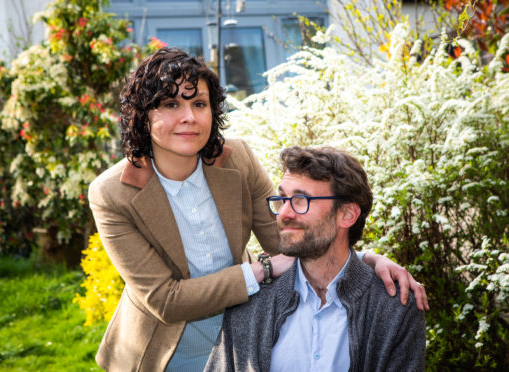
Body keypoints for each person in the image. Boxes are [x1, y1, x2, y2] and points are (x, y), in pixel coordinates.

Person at [88, 48, 428, 372]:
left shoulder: (237, 159)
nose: (189, 117)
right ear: (143, 115)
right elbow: (166, 300)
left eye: (200, 103)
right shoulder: (112, 194)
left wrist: (366, 261)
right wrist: (261, 271)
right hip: (166, 354)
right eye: (171, 104)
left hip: (243, 341)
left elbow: (290, 236)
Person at [204, 146, 426, 372]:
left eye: (301, 199)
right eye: (283, 199)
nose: (283, 214)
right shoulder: (251, 302)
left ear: (347, 214)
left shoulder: (394, 307)